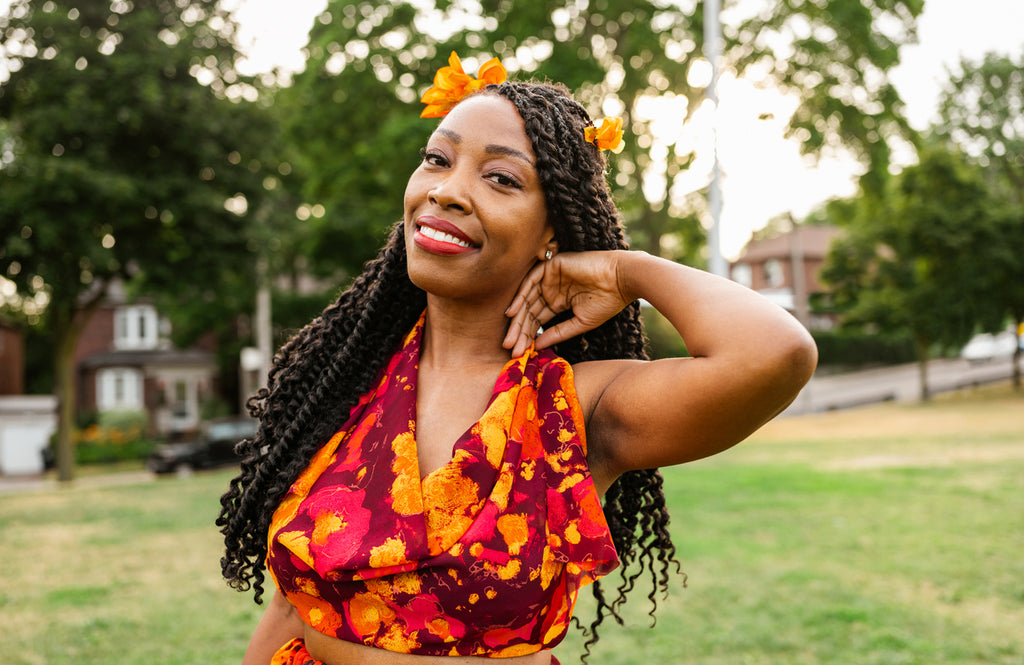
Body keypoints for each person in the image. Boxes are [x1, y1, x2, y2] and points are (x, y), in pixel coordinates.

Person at [217, 52, 817, 665]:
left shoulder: (572, 408)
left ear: (552, 232)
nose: (447, 191)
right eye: (437, 160)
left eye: (500, 178)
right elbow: (290, 608)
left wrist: (625, 270)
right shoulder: (337, 384)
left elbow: (777, 352)